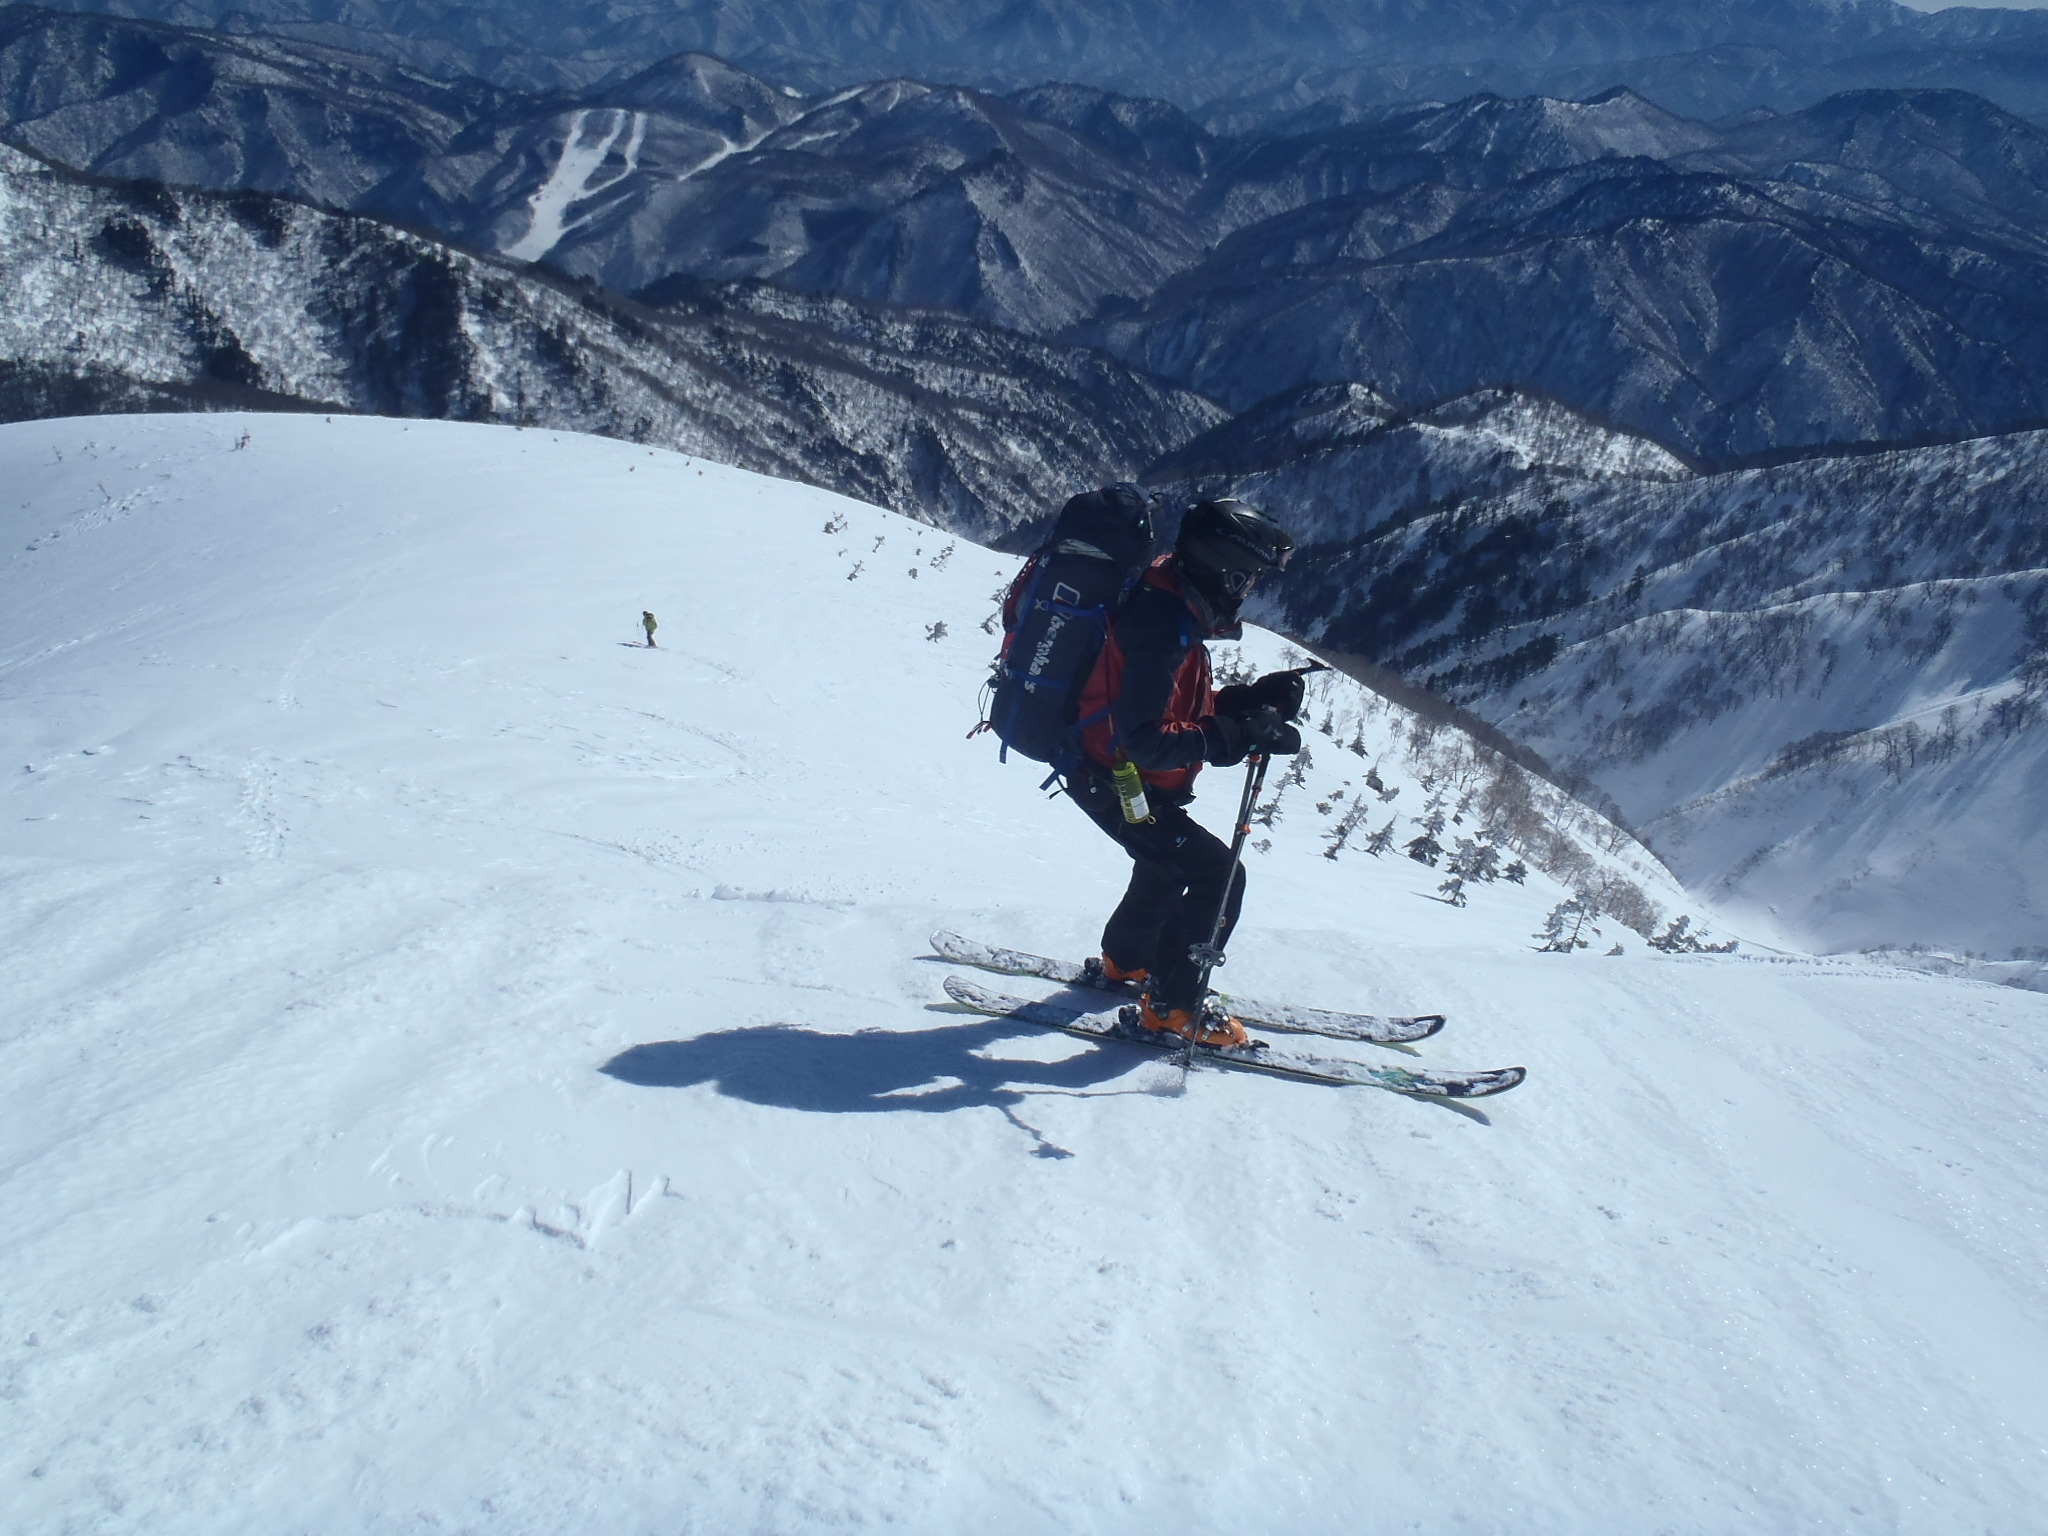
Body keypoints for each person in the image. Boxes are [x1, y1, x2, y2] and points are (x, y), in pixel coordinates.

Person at [1068, 497, 1305, 1047]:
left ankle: (1127, 962)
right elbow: (1147, 741)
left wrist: (1246, 703)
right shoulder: (1160, 625)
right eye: (1248, 580)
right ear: (1228, 571)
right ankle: (1173, 1009)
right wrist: (1238, 735)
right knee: (1219, 875)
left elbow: (1162, 707)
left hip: (1109, 771)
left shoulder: (1167, 599)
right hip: (1118, 779)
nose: (1247, 593)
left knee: (1165, 862)